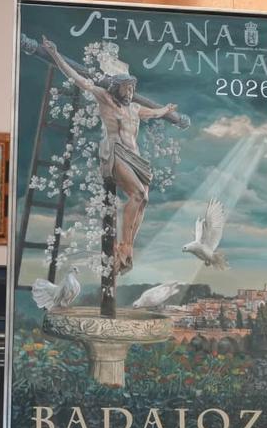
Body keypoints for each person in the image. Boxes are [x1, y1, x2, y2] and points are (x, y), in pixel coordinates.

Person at [40, 35, 177, 274]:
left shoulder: (135, 109)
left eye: (132, 88)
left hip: (136, 159)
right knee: (137, 194)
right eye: (127, 87)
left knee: (144, 199)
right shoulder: (105, 99)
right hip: (116, 153)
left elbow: (156, 113)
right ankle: (124, 246)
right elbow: (78, 79)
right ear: (117, 87)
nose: (130, 91)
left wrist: (166, 109)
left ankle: (127, 246)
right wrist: (55, 54)